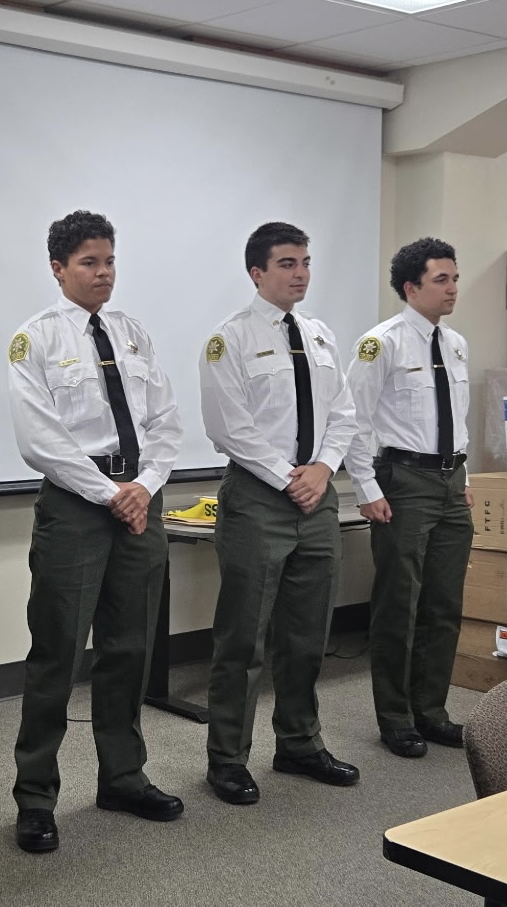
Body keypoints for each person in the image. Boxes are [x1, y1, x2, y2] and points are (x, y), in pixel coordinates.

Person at [8, 210, 184, 853]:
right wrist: (112, 493)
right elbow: (39, 440)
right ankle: (35, 796)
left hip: (140, 499)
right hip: (78, 508)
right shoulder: (35, 339)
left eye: (109, 260)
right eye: (89, 262)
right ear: (58, 268)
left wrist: (146, 485)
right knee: (56, 653)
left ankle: (123, 776)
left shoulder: (132, 332)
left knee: (130, 648)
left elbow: (165, 419)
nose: (104, 273)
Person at [199, 221, 360, 806]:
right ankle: (227, 759)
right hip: (259, 500)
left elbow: (344, 410)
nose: (301, 273)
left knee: (307, 634)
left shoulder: (320, 336)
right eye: (288, 263)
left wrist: (322, 470)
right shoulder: (230, 339)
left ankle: (298, 743)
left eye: (306, 262)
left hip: (317, 498)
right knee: (243, 637)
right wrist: (288, 478)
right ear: (257, 273)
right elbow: (227, 425)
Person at [344, 237, 473, 758]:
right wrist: (366, 489)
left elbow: (458, 420)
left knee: (444, 603)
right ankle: (395, 716)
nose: (453, 289)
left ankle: (432, 708)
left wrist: (465, 482)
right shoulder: (382, 343)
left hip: (450, 482)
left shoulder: (457, 343)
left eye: (455, 278)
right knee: (401, 601)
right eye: (441, 280)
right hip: (403, 481)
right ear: (410, 287)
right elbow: (352, 422)